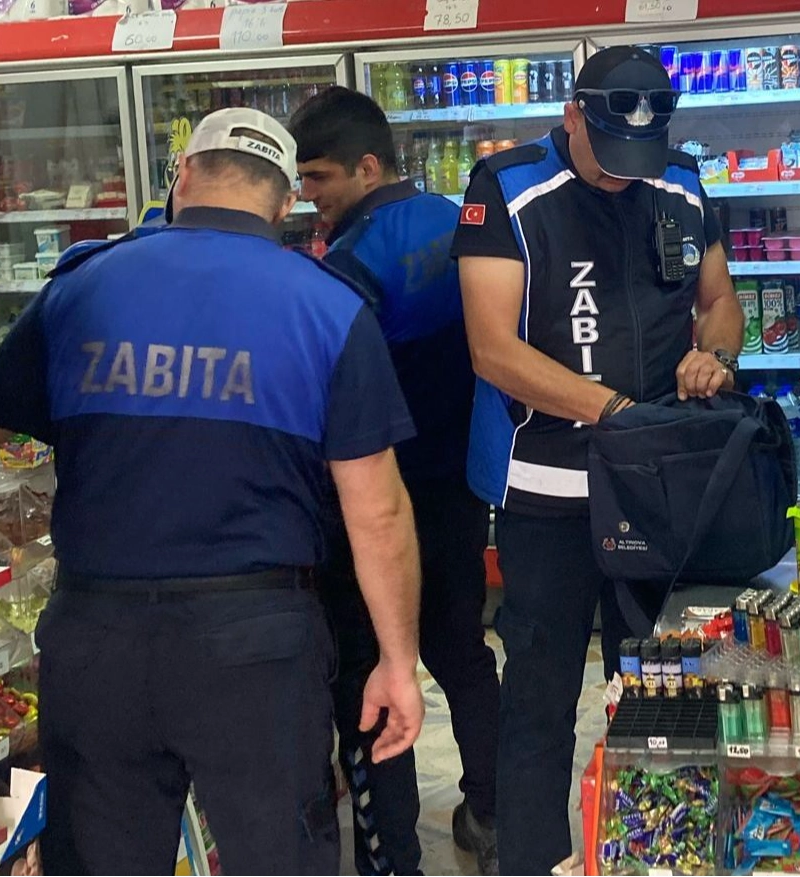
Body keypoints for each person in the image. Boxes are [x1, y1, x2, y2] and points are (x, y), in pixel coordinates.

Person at [0, 108, 425, 877]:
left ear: (182, 176)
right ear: (284, 203)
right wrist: (398, 662)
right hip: (256, 645)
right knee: (280, 855)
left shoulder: (81, 286)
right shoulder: (330, 307)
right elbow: (377, 510)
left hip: (97, 639)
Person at [450, 46, 745, 877]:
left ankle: (654, 853)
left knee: (661, 689)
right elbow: (491, 348)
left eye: (640, 156)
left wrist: (715, 356)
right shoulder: (507, 188)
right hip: (549, 491)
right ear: (572, 114)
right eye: (610, 152)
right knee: (539, 697)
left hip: (657, 486)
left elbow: (720, 299)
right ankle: (532, 860)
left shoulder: (680, 182)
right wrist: (611, 410)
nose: (624, 174)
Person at [288, 87, 501, 877]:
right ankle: (492, 813)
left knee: (377, 670)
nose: (307, 194)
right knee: (461, 651)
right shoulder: (456, 219)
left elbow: (334, 393)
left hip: (378, 500)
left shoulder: (349, 265)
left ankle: (396, 856)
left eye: (318, 177)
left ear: (368, 166)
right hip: (459, 480)